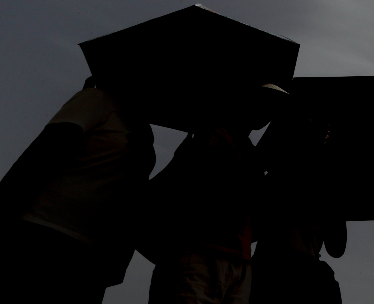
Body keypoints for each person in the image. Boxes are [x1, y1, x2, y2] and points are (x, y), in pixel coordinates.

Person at [0, 77, 155, 304]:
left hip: (52, 251)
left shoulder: (121, 118)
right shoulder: (119, 117)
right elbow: (35, 163)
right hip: (51, 251)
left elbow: (36, 162)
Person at [142, 84, 282, 304]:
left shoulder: (247, 151)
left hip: (238, 260)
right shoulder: (210, 137)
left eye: (272, 107)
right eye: (265, 104)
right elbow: (211, 191)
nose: (267, 113)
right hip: (198, 254)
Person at [249, 111, 344, 304]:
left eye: (325, 131)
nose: (323, 136)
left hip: (287, 273)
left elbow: (337, 247)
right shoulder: (280, 178)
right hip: (277, 272)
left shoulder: (326, 186)